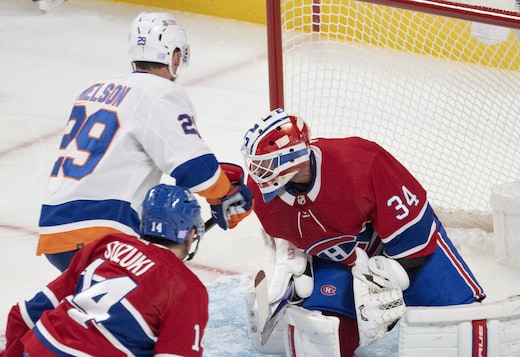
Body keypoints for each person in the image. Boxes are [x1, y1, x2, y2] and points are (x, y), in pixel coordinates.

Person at [241, 108, 486, 356]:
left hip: (397, 242)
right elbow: (283, 233)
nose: (257, 173)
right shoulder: (261, 192)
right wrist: (290, 259)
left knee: (458, 328)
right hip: (335, 257)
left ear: (292, 158)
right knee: (326, 338)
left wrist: (397, 271)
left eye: (266, 164)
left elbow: (415, 227)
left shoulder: (360, 162)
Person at [37, 11, 253, 272]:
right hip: (103, 233)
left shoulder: (94, 90)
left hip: (55, 230)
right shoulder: (160, 93)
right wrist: (225, 194)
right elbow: (197, 173)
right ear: (175, 56)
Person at [1, 184, 209, 357]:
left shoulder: (109, 244)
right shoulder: (187, 287)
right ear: (190, 234)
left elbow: (23, 314)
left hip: (42, 348)